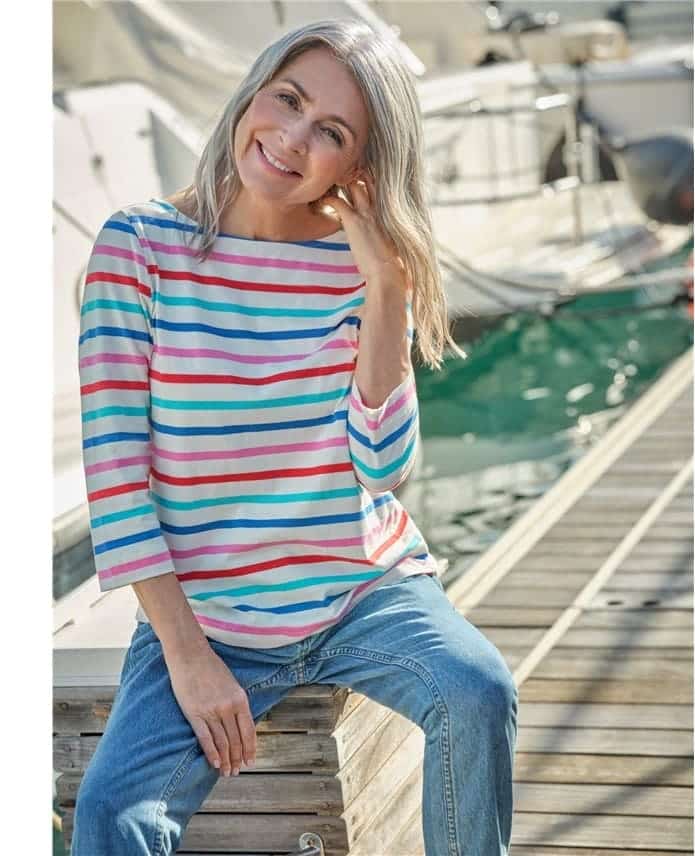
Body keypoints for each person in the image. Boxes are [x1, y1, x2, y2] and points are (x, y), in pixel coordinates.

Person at [72, 18, 518, 855]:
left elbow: (381, 469)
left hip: (363, 596)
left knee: (477, 691)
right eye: (287, 99)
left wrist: (386, 287)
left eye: (332, 133)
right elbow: (118, 481)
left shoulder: (359, 266)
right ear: (254, 91)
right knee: (111, 820)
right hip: (211, 618)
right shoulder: (138, 250)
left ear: (360, 166)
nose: (290, 138)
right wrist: (189, 657)